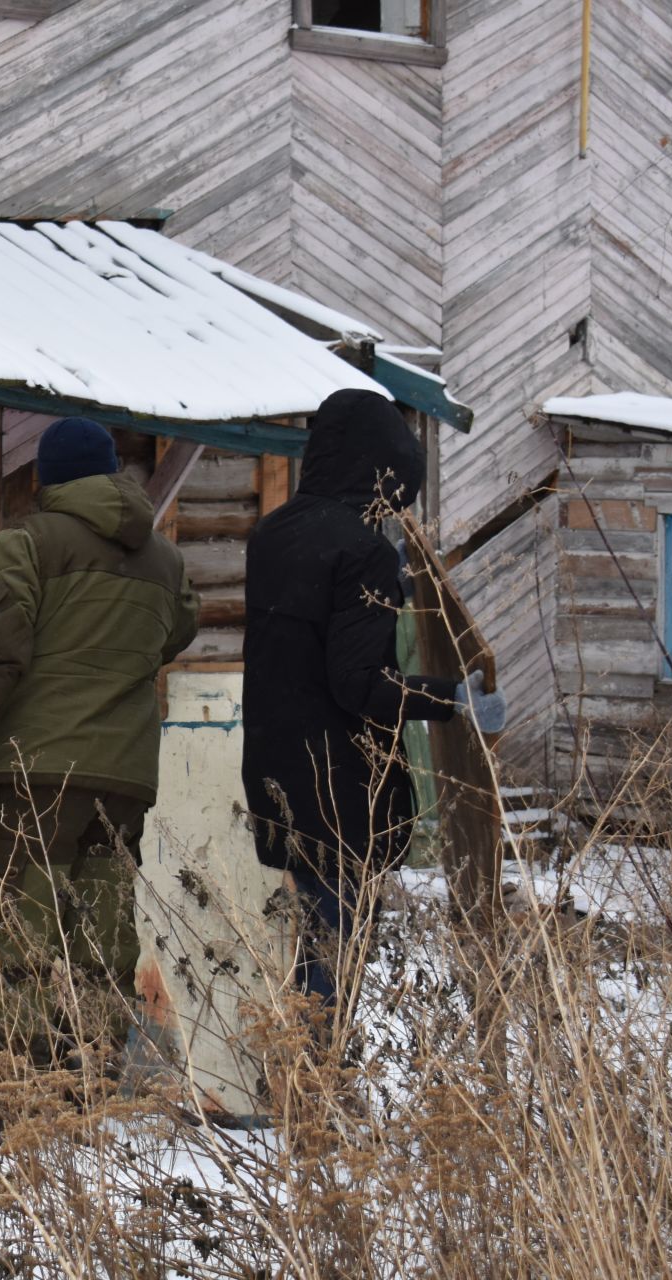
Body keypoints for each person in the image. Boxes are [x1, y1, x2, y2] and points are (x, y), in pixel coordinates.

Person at [0, 417, 200, 1067]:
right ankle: (90, 1091)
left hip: (37, 773)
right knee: (102, 943)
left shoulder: (26, 543)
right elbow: (178, 629)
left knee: (23, 936)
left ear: (45, 476)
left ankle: (25, 1100)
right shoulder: (162, 558)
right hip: (124, 778)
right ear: (111, 472)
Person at [241, 388, 506, 1016]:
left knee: (315, 936)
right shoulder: (363, 551)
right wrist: (455, 699)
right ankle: (319, 1087)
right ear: (381, 472)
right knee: (334, 950)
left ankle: (310, 1083)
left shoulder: (271, 535)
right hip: (338, 786)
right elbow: (358, 681)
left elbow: (308, 637)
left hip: (277, 773)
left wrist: (390, 590)